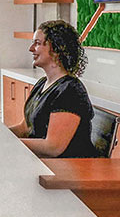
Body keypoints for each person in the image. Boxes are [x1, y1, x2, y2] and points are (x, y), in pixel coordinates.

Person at [7, 19, 99, 158]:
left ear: (56, 49)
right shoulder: (42, 83)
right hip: (43, 162)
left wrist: (10, 143)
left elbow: (53, 147)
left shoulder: (70, 91)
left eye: (37, 43)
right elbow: (25, 128)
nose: (31, 48)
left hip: (67, 167)